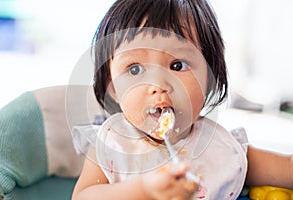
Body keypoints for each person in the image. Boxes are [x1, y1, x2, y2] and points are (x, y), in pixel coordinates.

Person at [71, 0, 293, 199]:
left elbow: (286, 169)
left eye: (177, 65)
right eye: (135, 69)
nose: (159, 85)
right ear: (113, 88)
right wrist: (143, 191)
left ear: (210, 81)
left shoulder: (222, 150)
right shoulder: (112, 144)